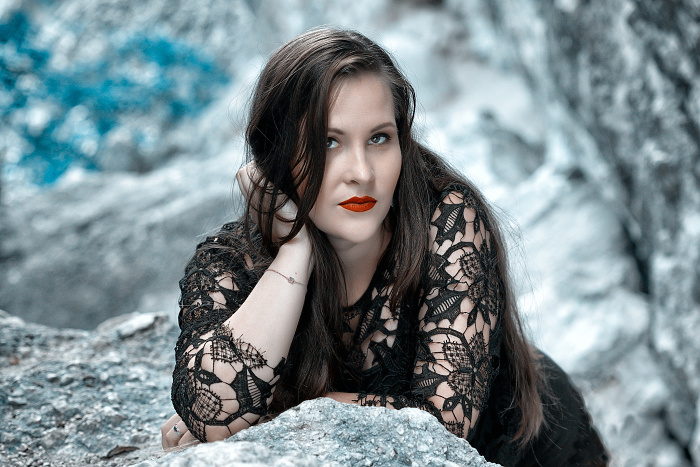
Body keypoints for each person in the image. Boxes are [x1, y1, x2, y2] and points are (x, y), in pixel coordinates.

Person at [161, 27, 609, 466]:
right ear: (274, 155)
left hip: (534, 452)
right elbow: (211, 410)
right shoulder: (229, 260)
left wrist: (277, 410)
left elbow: (442, 429)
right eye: (328, 142)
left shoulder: (448, 220)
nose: (362, 172)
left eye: (379, 138)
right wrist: (295, 251)